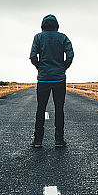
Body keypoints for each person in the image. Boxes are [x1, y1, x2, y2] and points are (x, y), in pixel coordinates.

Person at [29, 14, 74, 148]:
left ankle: (38, 140)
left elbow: (32, 56)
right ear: (56, 25)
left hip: (43, 79)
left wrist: (40, 67)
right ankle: (59, 140)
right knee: (59, 108)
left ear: (43, 25)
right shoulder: (63, 37)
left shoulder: (38, 37)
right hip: (59, 78)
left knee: (40, 108)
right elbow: (70, 55)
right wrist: (63, 67)